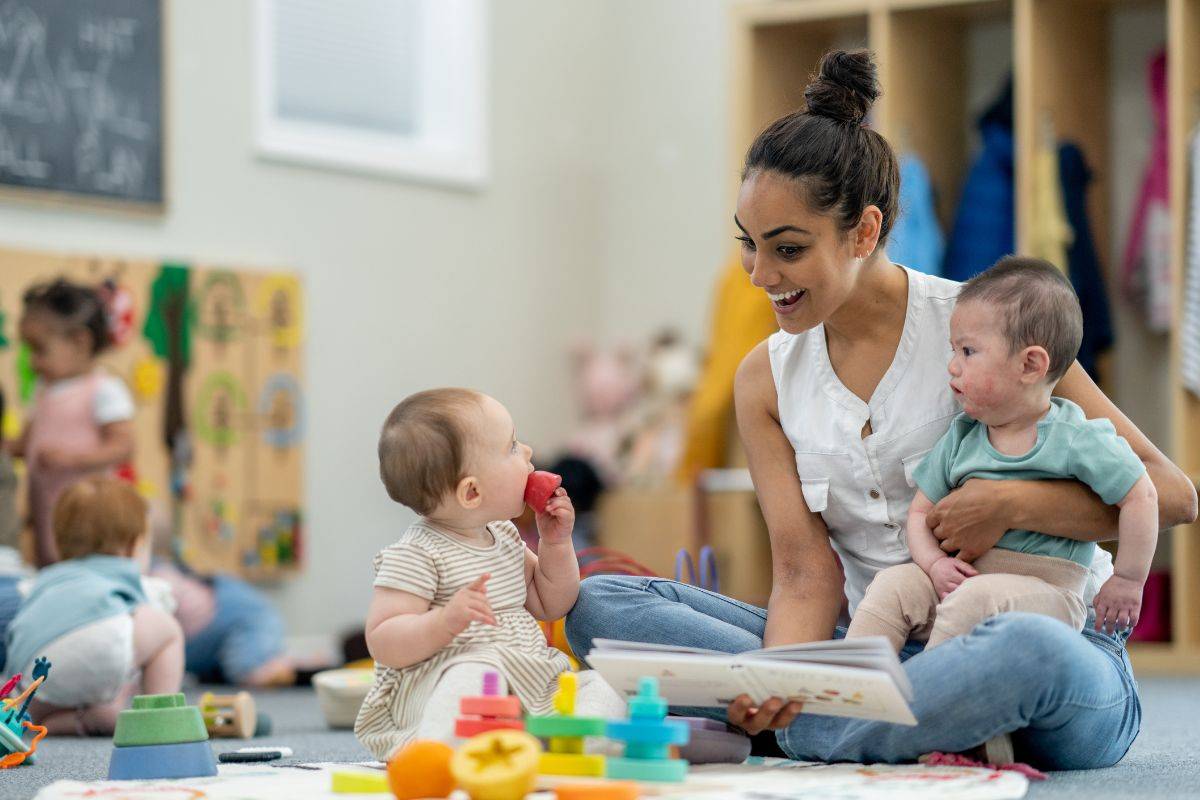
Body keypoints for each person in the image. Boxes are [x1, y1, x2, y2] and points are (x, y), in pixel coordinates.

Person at [565, 50, 1196, 769]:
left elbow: (1173, 493)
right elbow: (805, 573)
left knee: (1026, 651)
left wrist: (1012, 504)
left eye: (789, 250)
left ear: (864, 233)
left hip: (1039, 639)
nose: (760, 277)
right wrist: (780, 675)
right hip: (871, 641)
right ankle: (869, 713)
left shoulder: (986, 328)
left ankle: (826, 727)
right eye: (749, 246)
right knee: (603, 606)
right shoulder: (762, 380)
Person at [355, 389, 624, 759]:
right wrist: (444, 622)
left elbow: (552, 601)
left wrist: (556, 543)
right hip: (455, 682)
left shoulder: (505, 537)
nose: (528, 452)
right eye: (512, 447)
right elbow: (383, 639)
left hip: (531, 681)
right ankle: (446, 753)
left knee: (601, 683)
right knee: (473, 673)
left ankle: (576, 745)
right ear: (472, 492)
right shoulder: (417, 553)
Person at [4, 478, 184, 735]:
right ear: (134, 546)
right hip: (101, 650)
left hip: (34, 671)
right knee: (166, 631)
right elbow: (159, 605)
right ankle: (158, 718)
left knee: (38, 693)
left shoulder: (46, 579)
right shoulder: (131, 576)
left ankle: (45, 720)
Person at [12, 279, 135, 567]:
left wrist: (73, 459)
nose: (33, 363)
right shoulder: (44, 391)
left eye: (40, 350)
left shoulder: (103, 389)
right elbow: (25, 444)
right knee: (51, 560)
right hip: (46, 508)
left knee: (87, 567)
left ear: (80, 342)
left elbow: (124, 446)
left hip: (89, 513)